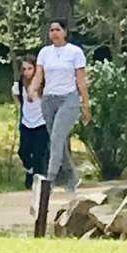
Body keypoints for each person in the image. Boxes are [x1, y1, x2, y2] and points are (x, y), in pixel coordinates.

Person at [29, 19, 91, 198]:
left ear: (64, 32)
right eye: (52, 30)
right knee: (57, 140)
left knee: (56, 138)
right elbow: (39, 75)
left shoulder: (74, 52)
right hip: (49, 99)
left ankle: (50, 178)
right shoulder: (45, 53)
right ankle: (72, 176)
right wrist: (32, 89)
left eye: (58, 30)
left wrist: (85, 104)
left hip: (68, 99)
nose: (54, 33)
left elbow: (81, 80)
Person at [12, 56, 48, 189]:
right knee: (23, 151)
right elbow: (15, 94)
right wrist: (20, 106)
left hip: (41, 122)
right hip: (27, 122)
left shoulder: (43, 84)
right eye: (24, 69)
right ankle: (29, 170)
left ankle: (36, 184)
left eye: (30, 68)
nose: (27, 72)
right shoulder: (20, 85)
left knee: (39, 153)